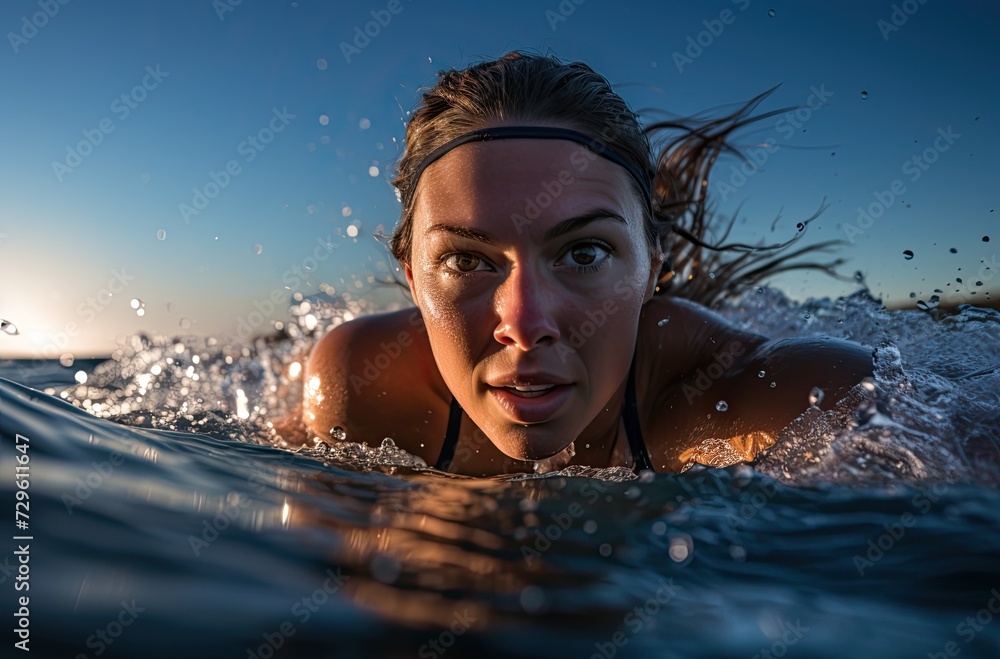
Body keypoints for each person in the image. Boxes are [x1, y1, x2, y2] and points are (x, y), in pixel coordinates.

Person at [299, 51, 872, 476]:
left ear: (652, 267)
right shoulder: (360, 393)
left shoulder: (793, 403)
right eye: (466, 260)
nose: (524, 325)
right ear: (414, 282)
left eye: (583, 253)